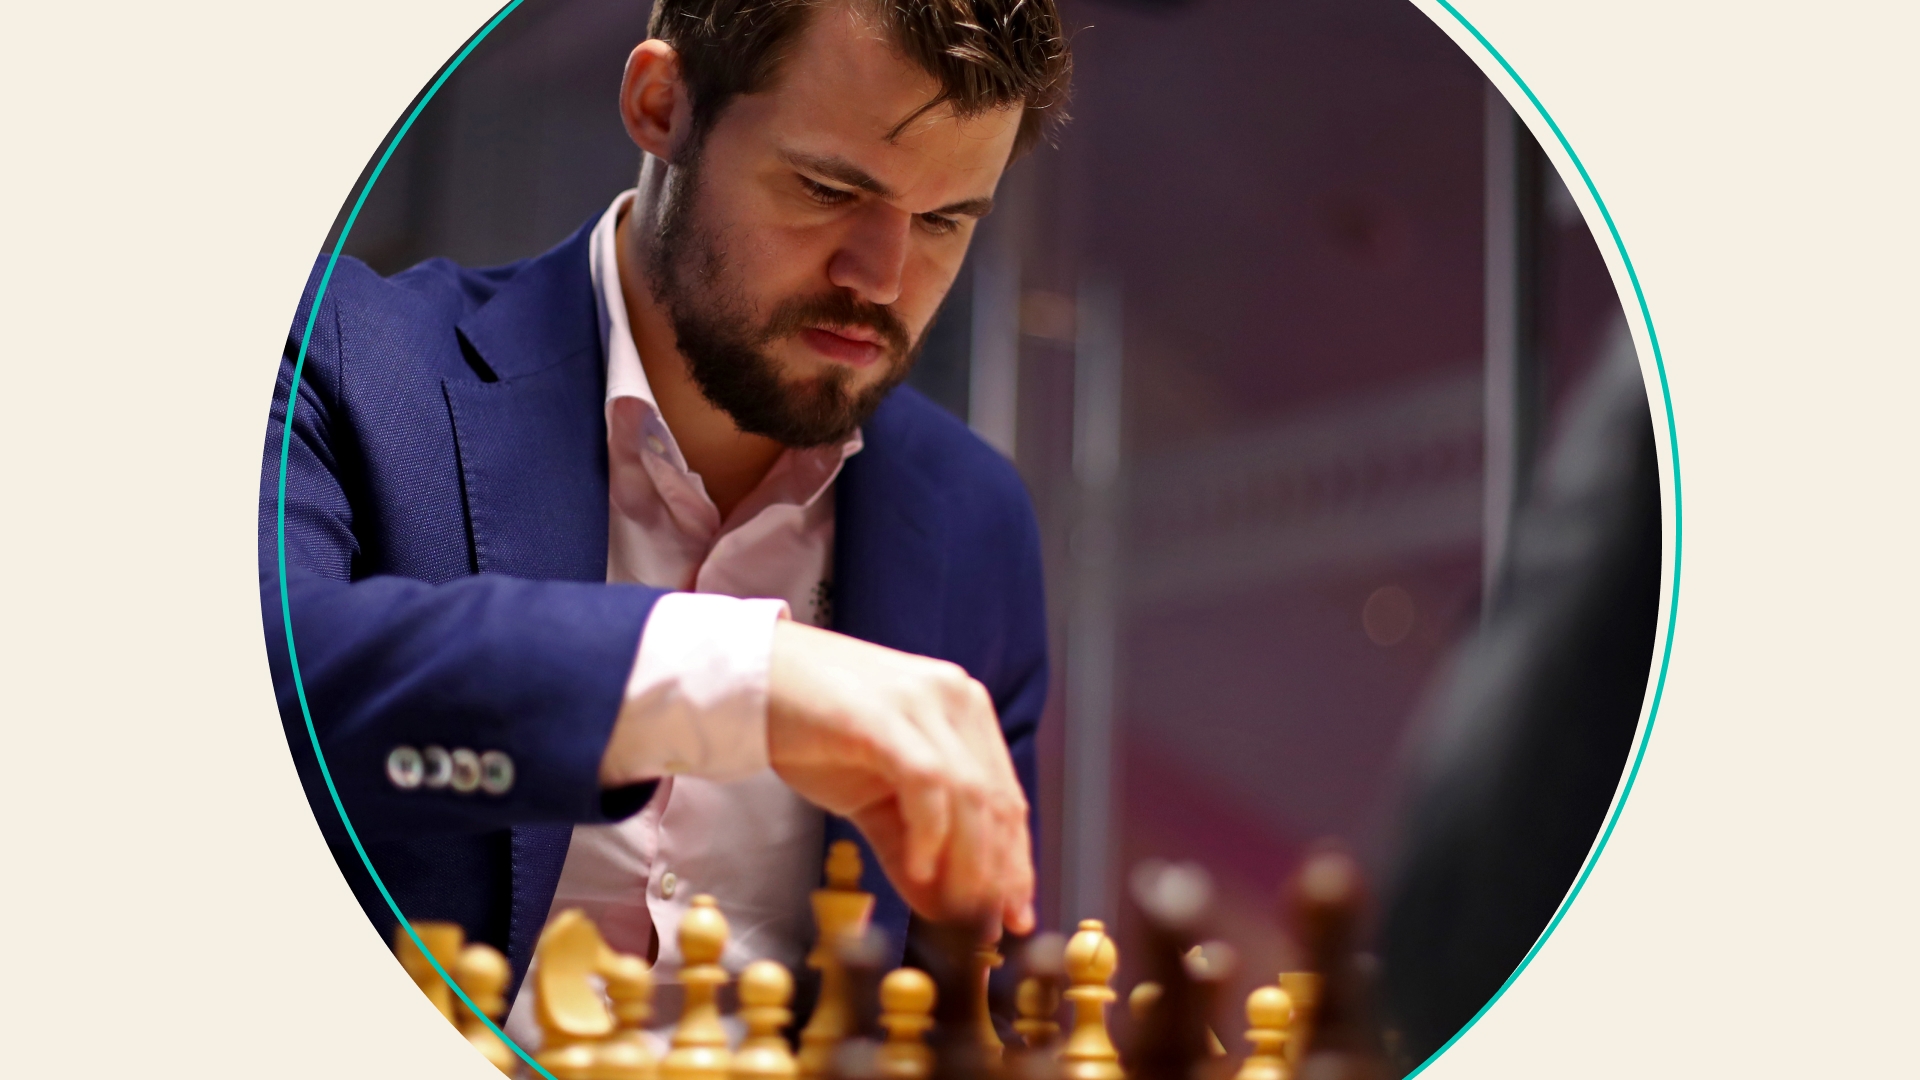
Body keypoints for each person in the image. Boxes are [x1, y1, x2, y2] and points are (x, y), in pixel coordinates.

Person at [258, 0, 1071, 1003]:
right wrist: (743, 679)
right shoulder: (341, 354)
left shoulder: (976, 522)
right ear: (662, 104)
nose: (883, 279)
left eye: (946, 220)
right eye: (826, 188)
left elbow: (971, 997)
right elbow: (263, 691)